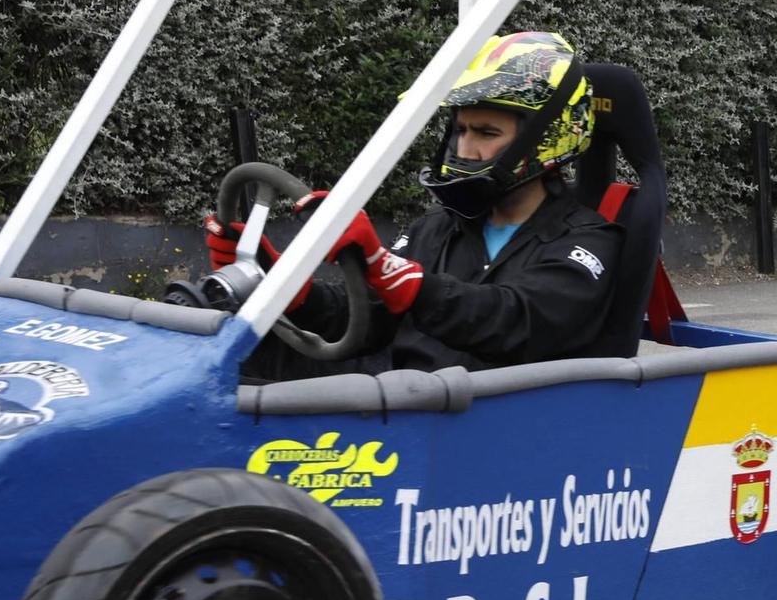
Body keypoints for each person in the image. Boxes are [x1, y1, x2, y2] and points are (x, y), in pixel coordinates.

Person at [209, 31, 629, 377]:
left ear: (544, 139)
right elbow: (370, 318)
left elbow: (513, 320)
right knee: (231, 358)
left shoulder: (589, 243)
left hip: (496, 429)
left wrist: (403, 279)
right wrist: (291, 290)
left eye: (485, 133)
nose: (465, 148)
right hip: (410, 413)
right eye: (460, 131)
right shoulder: (438, 228)